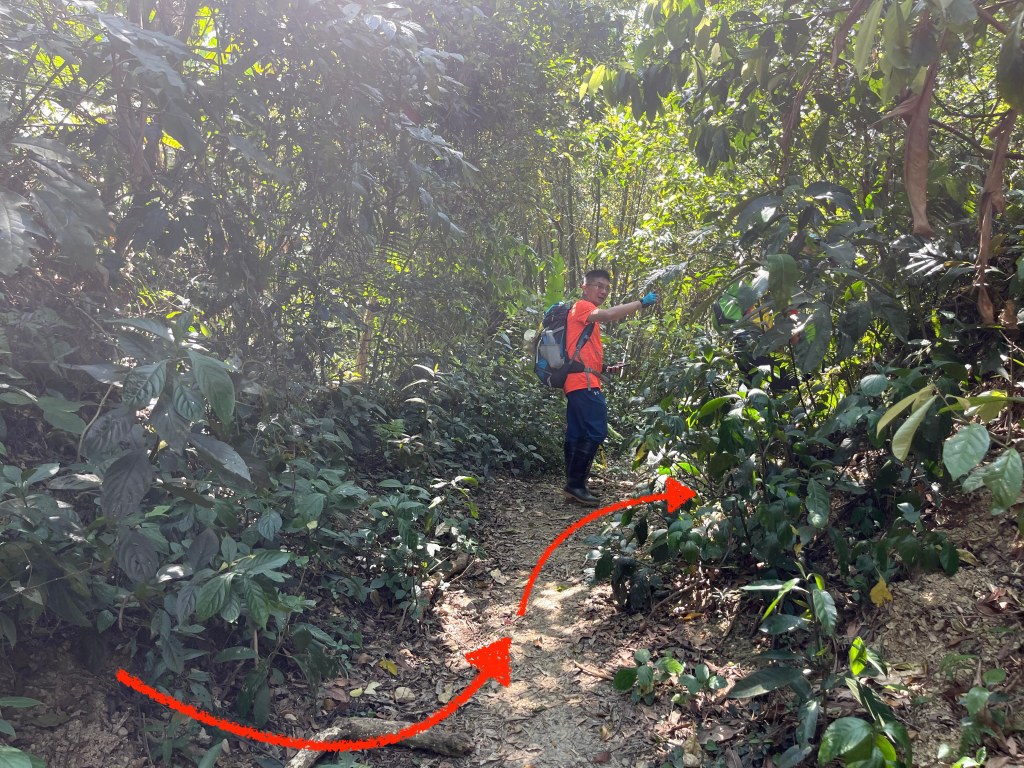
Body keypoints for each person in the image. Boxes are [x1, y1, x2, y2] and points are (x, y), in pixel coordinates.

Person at [562, 269, 657, 505]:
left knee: (577, 432)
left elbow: (579, 353)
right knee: (596, 430)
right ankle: (575, 485)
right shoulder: (582, 307)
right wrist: (640, 303)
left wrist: (603, 368)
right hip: (584, 384)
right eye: (598, 286)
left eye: (606, 288)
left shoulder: (583, 315)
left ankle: (574, 485)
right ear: (585, 287)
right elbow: (607, 314)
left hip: (578, 381)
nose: (603, 291)